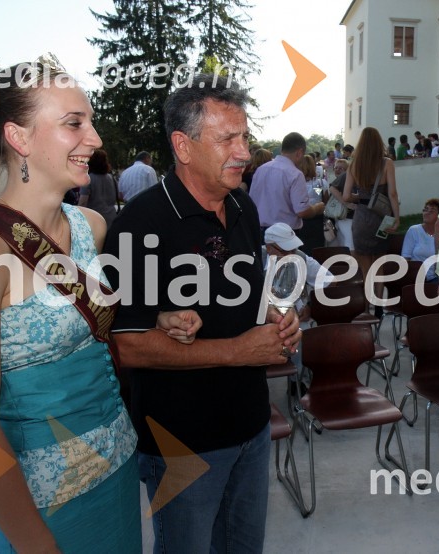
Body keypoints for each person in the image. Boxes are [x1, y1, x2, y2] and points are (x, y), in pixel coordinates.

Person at [0, 55, 199, 553]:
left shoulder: (90, 226)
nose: (96, 138)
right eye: (74, 124)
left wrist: (158, 317)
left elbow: (84, 317)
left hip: (117, 469)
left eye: (91, 121)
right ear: (20, 138)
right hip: (37, 504)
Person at [102, 72, 301, 554]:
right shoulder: (138, 225)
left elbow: (249, 302)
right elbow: (127, 346)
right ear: (183, 145)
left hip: (252, 427)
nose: (244, 152)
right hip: (182, 444)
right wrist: (238, 350)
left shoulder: (245, 208)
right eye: (227, 138)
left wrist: (277, 318)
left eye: (246, 136)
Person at [343, 126, 401, 314]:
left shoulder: (353, 164)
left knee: (366, 268)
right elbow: (392, 193)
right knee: (380, 265)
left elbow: (345, 196)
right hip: (380, 219)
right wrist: (397, 218)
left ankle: (367, 307)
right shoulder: (387, 163)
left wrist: (359, 197)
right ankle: (378, 306)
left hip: (361, 219)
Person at [249, 131, 324, 233]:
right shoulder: (295, 174)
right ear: (299, 153)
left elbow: (252, 202)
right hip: (284, 235)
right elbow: (302, 211)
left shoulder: (261, 169)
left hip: (259, 230)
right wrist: (317, 208)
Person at [402, 198, 439, 283]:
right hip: (414, 278)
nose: (426, 213)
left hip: (435, 278)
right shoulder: (414, 230)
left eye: (431, 211)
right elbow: (405, 258)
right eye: (425, 210)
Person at [79, 148, 119, 227]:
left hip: (95, 220)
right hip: (111, 218)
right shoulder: (111, 178)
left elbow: (83, 202)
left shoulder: (87, 179)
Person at [327, 158, 357, 249]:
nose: (337, 170)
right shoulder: (336, 183)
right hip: (338, 218)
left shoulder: (347, 181)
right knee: (344, 241)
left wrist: (345, 203)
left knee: (348, 240)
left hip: (346, 217)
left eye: (341, 168)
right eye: (336, 168)